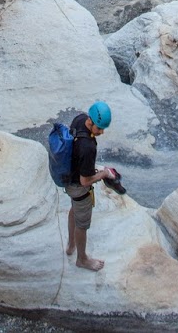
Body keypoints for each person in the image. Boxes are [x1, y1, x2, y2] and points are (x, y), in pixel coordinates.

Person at [65, 100, 118, 271]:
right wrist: (103, 173)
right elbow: (85, 181)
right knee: (82, 224)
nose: (101, 132)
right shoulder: (87, 147)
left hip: (69, 178)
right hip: (78, 186)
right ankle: (82, 259)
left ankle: (71, 244)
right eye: (99, 128)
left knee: (74, 209)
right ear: (91, 121)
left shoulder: (79, 119)